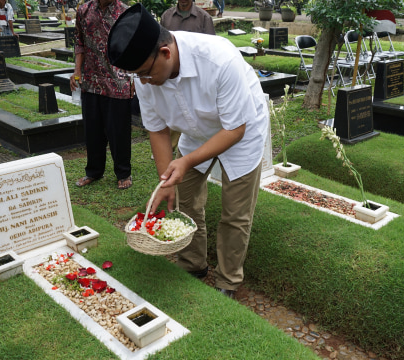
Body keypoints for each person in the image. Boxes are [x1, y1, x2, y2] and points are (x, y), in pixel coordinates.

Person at [107, 4, 269, 299]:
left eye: (145, 73)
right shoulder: (145, 72)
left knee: (236, 213)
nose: (143, 81)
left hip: (241, 129)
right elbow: (157, 129)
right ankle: (193, 264)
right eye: (137, 76)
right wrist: (167, 177)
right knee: (184, 201)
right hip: (196, 132)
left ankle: (228, 281)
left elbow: (235, 130)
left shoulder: (219, 59)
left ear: (166, 53)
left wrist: (186, 161)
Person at [71, 0, 133, 190]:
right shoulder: (84, 10)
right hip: (91, 81)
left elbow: (132, 46)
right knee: (93, 130)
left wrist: (133, 78)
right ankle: (93, 171)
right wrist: (77, 71)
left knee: (118, 132)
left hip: (118, 82)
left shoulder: (125, 12)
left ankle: (123, 173)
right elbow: (79, 42)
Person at [160, 0, 215, 151]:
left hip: (195, 73)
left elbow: (211, 46)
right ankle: (170, 146)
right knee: (172, 108)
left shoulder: (203, 18)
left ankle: (193, 143)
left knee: (192, 109)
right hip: (172, 72)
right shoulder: (167, 16)